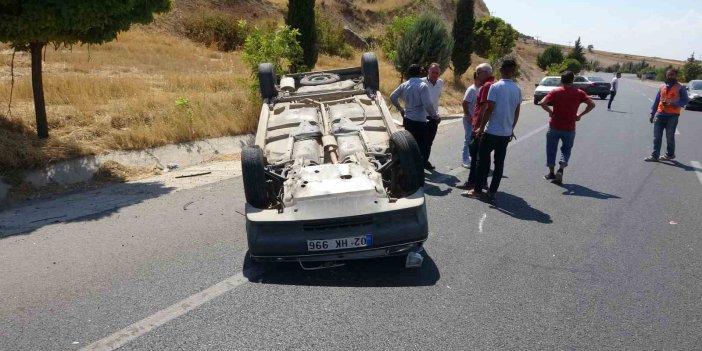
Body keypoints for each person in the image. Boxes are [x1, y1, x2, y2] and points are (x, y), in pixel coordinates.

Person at [463, 60, 522, 201]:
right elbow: (517, 111)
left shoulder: (495, 87)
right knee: (499, 163)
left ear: (501, 70)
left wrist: (481, 128)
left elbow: (488, 109)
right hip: (505, 133)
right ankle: (493, 192)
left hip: (491, 132)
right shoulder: (517, 89)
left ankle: (477, 190)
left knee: (482, 162)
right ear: (513, 71)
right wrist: (511, 129)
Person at [539, 71, 596, 184]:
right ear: (572, 80)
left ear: (561, 80)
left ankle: (551, 173)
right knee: (566, 149)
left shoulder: (555, 92)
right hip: (569, 127)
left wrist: (550, 112)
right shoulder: (579, 92)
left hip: (555, 126)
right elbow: (592, 104)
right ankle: (561, 169)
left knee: (551, 149)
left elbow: (542, 102)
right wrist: (580, 115)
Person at [390, 64, 437, 167]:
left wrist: (400, 108)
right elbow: (428, 104)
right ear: (420, 73)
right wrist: (435, 116)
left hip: (408, 119)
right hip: (420, 120)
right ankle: (419, 168)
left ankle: (410, 167)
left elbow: (393, 97)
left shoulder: (404, 85)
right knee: (422, 146)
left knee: (410, 145)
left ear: (409, 73)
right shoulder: (422, 85)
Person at [457, 63, 495, 190]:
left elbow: (484, 108)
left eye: (478, 73)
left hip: (479, 126)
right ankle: (481, 182)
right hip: (486, 126)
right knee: (482, 155)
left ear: (486, 72)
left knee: (476, 156)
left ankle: (474, 182)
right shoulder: (493, 84)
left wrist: (478, 127)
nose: (477, 75)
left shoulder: (487, 86)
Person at [644, 68, 690, 162]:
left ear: (676, 75)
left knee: (669, 137)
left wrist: (674, 104)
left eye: (672, 74)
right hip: (660, 114)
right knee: (657, 136)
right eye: (668, 74)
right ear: (666, 75)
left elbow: (685, 100)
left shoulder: (680, 87)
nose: (670, 76)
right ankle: (654, 156)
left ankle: (670, 154)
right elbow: (657, 100)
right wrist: (652, 113)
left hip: (672, 115)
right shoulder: (662, 86)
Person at [421, 63, 445, 170]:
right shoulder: (422, 82)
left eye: (437, 73)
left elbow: (436, 99)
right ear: (428, 72)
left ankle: (424, 161)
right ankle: (418, 163)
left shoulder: (440, 83)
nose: (435, 75)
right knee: (420, 142)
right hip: (421, 117)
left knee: (429, 142)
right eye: (433, 72)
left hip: (433, 117)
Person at [461, 72, 480, 168]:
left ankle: (473, 158)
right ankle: (465, 160)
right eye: (479, 78)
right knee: (468, 138)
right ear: (476, 78)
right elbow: (464, 103)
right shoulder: (471, 90)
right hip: (469, 118)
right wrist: (468, 115)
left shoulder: (480, 89)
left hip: (476, 120)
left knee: (475, 139)